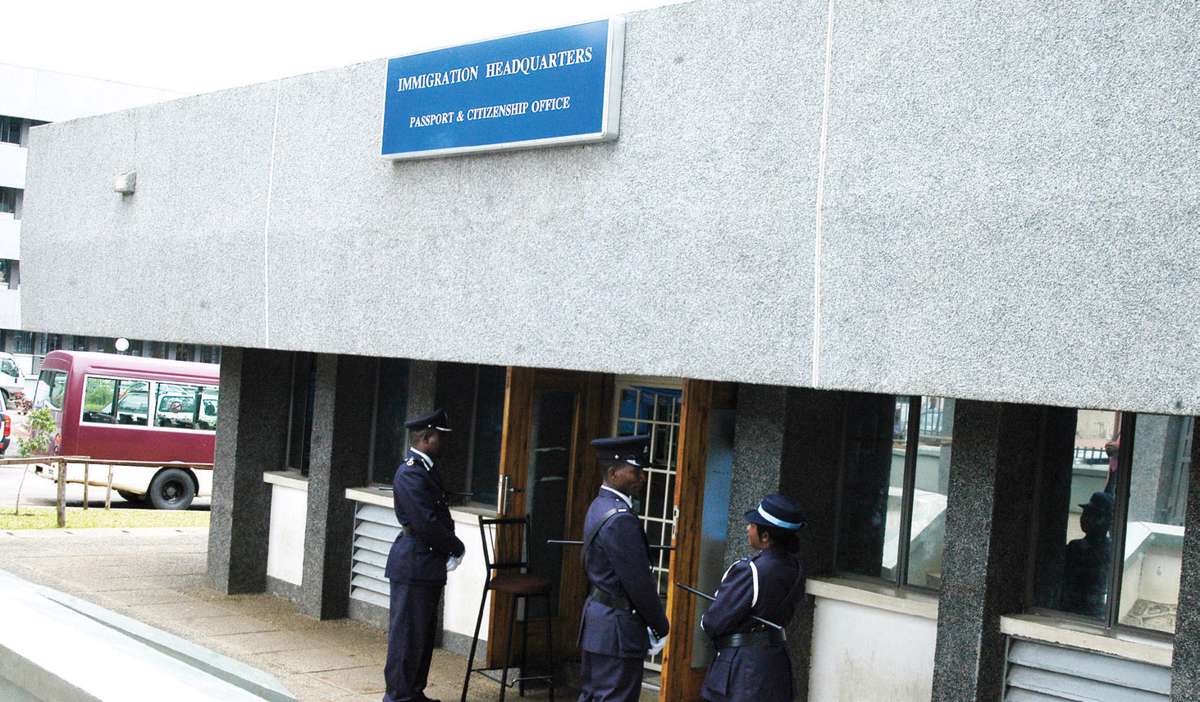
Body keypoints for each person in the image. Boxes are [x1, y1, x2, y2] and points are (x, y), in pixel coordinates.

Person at [578, 434, 670, 702]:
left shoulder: (600, 505)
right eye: (635, 470)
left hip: (599, 621)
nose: (642, 477)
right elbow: (638, 582)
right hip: (618, 629)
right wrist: (660, 625)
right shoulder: (620, 518)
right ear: (613, 473)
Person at [383, 409, 465, 702]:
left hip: (425, 563)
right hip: (414, 562)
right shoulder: (411, 472)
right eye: (440, 437)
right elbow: (425, 522)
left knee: (421, 636)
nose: (444, 442)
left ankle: (412, 692)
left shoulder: (426, 469)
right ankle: (398, 696)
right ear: (427, 438)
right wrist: (454, 546)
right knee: (407, 636)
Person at [700, 494, 806, 702]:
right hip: (775, 664)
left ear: (765, 536)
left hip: (743, 670)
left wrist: (708, 618)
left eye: (752, 525)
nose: (747, 529)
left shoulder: (751, 570)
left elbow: (713, 623)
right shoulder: (796, 567)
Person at [1061, 491, 1114, 618]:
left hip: (1087, 614)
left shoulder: (1106, 550)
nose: (1086, 518)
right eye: (1085, 513)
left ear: (1107, 522)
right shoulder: (1075, 546)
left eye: (1094, 516)